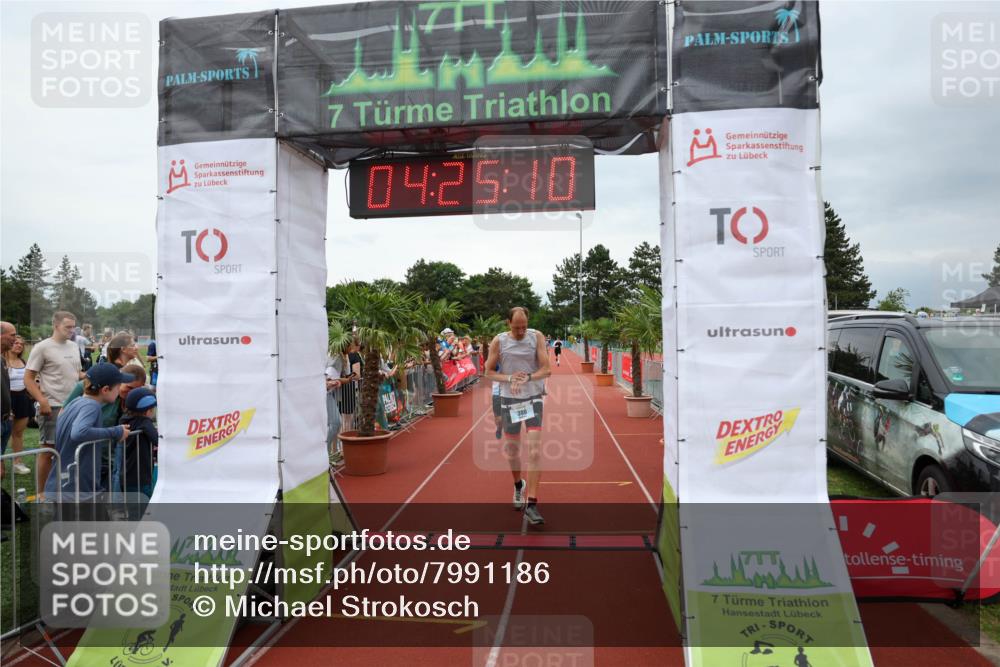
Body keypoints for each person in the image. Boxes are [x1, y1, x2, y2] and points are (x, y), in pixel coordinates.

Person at [483, 307, 552, 526]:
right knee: (513, 453)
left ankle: (532, 504)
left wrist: (529, 377)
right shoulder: (499, 341)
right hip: (509, 401)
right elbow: (488, 372)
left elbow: (547, 369)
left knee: (534, 450)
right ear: (508, 323)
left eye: (524, 326)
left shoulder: (536, 336)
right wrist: (510, 377)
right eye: (516, 327)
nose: (521, 331)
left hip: (533, 398)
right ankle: (517, 485)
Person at [44, 363, 132, 500]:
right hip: (77, 487)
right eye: (118, 386)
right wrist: (116, 432)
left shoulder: (76, 402)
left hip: (64, 483)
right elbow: (79, 432)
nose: (119, 389)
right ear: (106, 389)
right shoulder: (92, 406)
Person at [25, 311, 86, 497]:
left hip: (74, 405)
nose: (71, 330)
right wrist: (41, 400)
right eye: (67, 326)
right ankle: (42, 495)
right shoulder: (42, 347)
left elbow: (77, 374)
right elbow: (28, 378)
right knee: (48, 450)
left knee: (69, 450)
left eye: (73, 326)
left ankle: (63, 489)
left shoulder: (74, 346)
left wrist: (92, 376)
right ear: (56, 325)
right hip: (52, 406)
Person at [120, 387, 158, 498]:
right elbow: (157, 440)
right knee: (143, 510)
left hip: (126, 475)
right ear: (148, 411)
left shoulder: (124, 420)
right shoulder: (145, 423)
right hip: (140, 476)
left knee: (132, 509)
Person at [4, 335, 33, 474]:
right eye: (16, 343)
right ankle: (1, 462)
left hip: (22, 399)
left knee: (18, 433)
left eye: (21, 344)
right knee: (3, 432)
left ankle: (17, 462)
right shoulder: (2, 361)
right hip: (5, 398)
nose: (19, 345)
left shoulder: (24, 362)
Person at [1, 322, 15, 478]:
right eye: (12, 335)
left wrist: (9, 412)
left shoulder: (3, 360)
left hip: (5, 421)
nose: (15, 339)